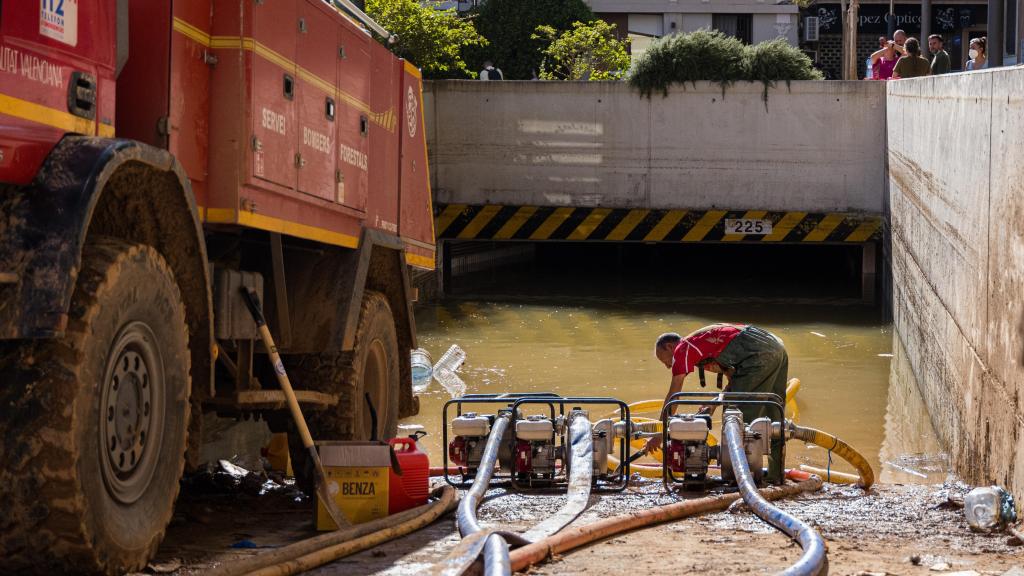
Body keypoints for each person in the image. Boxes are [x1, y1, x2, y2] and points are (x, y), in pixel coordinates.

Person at [648, 324, 788, 449]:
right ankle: (774, 475)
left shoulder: (682, 349)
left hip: (759, 351)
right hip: (776, 345)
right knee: (775, 418)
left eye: (664, 360)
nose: (668, 366)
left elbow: (674, 395)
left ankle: (737, 471)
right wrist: (713, 403)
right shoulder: (706, 345)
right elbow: (733, 380)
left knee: (734, 417)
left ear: (669, 347)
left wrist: (659, 433)